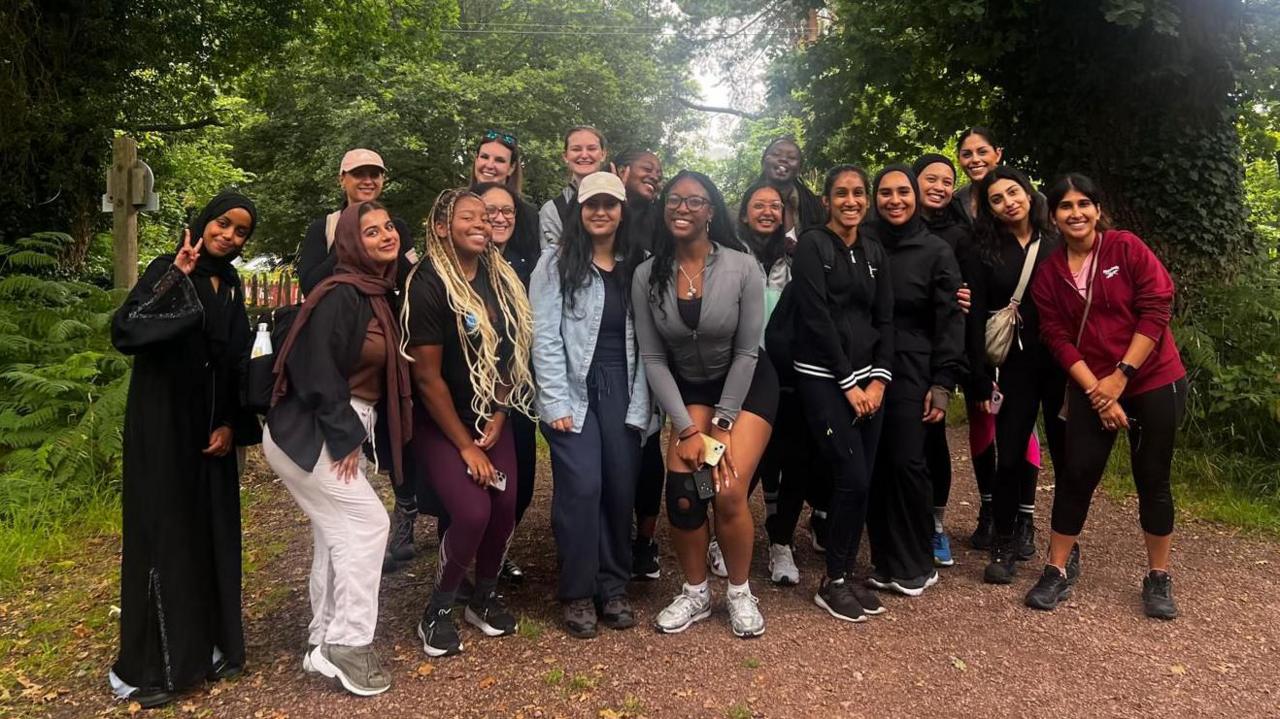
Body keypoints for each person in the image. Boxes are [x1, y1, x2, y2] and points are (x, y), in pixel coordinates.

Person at [109, 191, 258, 708]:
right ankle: (152, 668)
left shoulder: (234, 285)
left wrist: (227, 425)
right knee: (164, 536)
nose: (229, 236)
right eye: (223, 224)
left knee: (209, 533)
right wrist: (175, 274)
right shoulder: (167, 268)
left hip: (208, 430)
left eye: (241, 232)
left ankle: (208, 648)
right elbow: (126, 331)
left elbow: (233, 360)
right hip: (162, 423)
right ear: (204, 221)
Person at [262, 201, 412, 696]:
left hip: (335, 427)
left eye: (389, 226)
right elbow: (314, 369)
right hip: (314, 432)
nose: (385, 235)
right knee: (369, 525)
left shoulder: (375, 294)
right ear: (350, 243)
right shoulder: (340, 293)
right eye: (371, 232)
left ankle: (321, 642)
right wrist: (345, 435)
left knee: (335, 536)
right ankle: (349, 643)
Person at [1026, 174, 1187, 620]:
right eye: (1065, 206)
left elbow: (1157, 307)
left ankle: (1158, 576)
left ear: (1097, 209)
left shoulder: (1125, 248)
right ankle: (1056, 569)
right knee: (1076, 473)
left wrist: (1121, 377)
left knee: (1152, 477)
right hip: (1090, 384)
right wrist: (1099, 390)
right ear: (1053, 216)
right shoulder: (1049, 272)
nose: (1075, 213)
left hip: (1153, 378)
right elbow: (1055, 335)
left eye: (1084, 204)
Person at [632, 170, 777, 638]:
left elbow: (747, 351)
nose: (682, 208)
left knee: (728, 489)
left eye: (694, 202)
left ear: (711, 212)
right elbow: (653, 358)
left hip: (747, 383)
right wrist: (688, 429)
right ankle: (695, 591)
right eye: (675, 200)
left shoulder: (741, 266)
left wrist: (723, 423)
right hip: (687, 388)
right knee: (684, 495)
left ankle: (738, 591)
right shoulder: (646, 274)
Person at [401, 189, 537, 657]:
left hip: (488, 416)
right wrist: (467, 446)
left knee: (505, 507)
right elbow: (427, 378)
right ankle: (437, 609)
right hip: (443, 423)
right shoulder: (429, 283)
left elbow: (509, 357)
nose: (483, 223)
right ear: (442, 228)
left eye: (487, 216)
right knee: (473, 511)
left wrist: (500, 414)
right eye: (469, 217)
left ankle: (483, 597)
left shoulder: (500, 280)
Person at [531, 171, 652, 638]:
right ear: (578, 211)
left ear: (622, 210)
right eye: (591, 205)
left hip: (623, 386)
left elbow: (649, 343)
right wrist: (555, 399)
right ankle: (578, 591)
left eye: (610, 204)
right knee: (582, 487)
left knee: (621, 487)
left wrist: (643, 405)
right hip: (574, 389)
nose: (600, 212)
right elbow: (544, 336)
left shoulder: (639, 265)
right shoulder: (556, 262)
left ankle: (612, 585)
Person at [293, 148, 420, 571]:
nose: (367, 181)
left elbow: (410, 280)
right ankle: (349, 555)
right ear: (341, 179)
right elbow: (311, 282)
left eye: (375, 175)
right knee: (349, 468)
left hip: (388, 345)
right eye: (358, 175)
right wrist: (350, 242)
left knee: (396, 434)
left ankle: (405, 511)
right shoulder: (323, 228)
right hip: (346, 351)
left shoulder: (394, 227)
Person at [790, 165, 895, 622]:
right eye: (841, 194)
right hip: (822, 377)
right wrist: (850, 384)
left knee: (864, 480)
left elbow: (885, 319)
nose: (850, 201)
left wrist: (879, 380)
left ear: (866, 200)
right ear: (827, 200)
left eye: (858, 193)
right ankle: (831, 581)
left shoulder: (874, 249)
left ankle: (847, 573)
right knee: (850, 476)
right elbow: (816, 317)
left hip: (870, 380)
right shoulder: (813, 245)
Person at [862, 165, 965, 597]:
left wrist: (942, 381)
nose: (895, 200)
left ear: (915, 196)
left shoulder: (936, 250)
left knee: (908, 462)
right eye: (885, 193)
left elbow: (949, 318)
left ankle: (917, 561)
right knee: (877, 463)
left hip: (914, 367)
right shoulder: (863, 244)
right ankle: (885, 560)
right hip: (865, 368)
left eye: (903, 191)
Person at [965, 166, 1067, 584]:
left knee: (1067, 459)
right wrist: (976, 372)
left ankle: (1063, 549)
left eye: (1014, 192)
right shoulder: (983, 248)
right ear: (988, 209)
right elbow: (974, 315)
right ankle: (1005, 541)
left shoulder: (1058, 241)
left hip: (1062, 363)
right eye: (997, 199)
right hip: (1012, 365)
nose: (1009, 202)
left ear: (1028, 192)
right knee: (1008, 455)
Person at [950, 128, 1043, 550]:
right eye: (966, 153)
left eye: (982, 150)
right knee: (982, 417)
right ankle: (990, 508)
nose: (974, 158)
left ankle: (1024, 516)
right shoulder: (953, 209)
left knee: (1022, 427)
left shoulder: (1041, 216)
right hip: (986, 336)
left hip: (1034, 345)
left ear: (997, 153)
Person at [738, 179, 827, 585]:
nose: (768, 212)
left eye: (775, 206)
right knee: (739, 459)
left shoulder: (800, 255)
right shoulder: (727, 253)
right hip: (742, 368)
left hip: (793, 369)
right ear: (744, 213)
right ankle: (725, 533)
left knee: (797, 459)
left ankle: (781, 542)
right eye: (759, 205)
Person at [472, 180, 542, 581]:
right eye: (490, 211)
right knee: (473, 485)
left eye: (507, 212)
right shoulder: (456, 264)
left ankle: (498, 552)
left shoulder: (523, 265)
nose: (499, 218)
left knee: (522, 481)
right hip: (471, 394)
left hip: (517, 392)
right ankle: (468, 562)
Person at [912, 153, 972, 567]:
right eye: (930, 178)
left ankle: (934, 525)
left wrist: (969, 296)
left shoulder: (960, 233)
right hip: (893, 346)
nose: (938, 186)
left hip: (939, 347)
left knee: (933, 437)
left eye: (947, 181)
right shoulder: (887, 225)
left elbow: (974, 286)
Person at [613, 149, 668, 580]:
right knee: (613, 444)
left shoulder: (663, 219)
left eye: (659, 173)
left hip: (652, 341)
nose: (655, 177)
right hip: (608, 344)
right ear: (621, 171)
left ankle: (645, 540)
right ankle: (610, 534)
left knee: (650, 443)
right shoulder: (603, 210)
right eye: (647, 170)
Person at [540, 126, 608, 247]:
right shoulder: (552, 210)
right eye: (576, 149)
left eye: (592, 149)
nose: (584, 155)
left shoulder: (621, 199)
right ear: (565, 156)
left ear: (603, 154)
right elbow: (551, 260)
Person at [758, 137, 827, 234]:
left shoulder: (817, 207)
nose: (783, 159)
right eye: (776, 154)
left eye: (791, 157)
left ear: (799, 170)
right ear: (763, 162)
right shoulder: (745, 209)